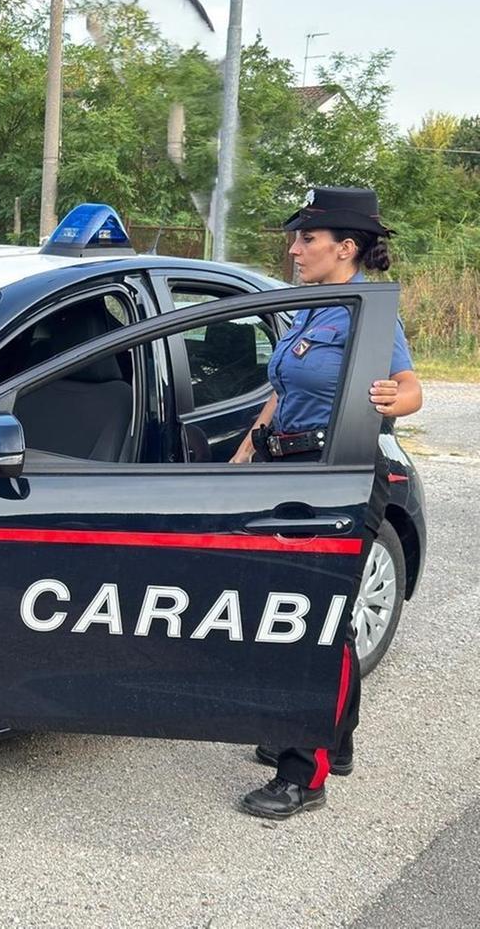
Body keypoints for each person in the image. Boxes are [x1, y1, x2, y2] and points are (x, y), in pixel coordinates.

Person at [233, 186, 423, 819]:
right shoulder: (313, 309)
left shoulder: (369, 311)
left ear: (346, 248)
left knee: (312, 619)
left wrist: (393, 404)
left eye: (306, 240)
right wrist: (246, 447)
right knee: (304, 611)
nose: (293, 249)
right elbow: (283, 389)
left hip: (339, 474)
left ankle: (303, 773)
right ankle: (334, 739)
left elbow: (410, 387)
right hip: (287, 469)